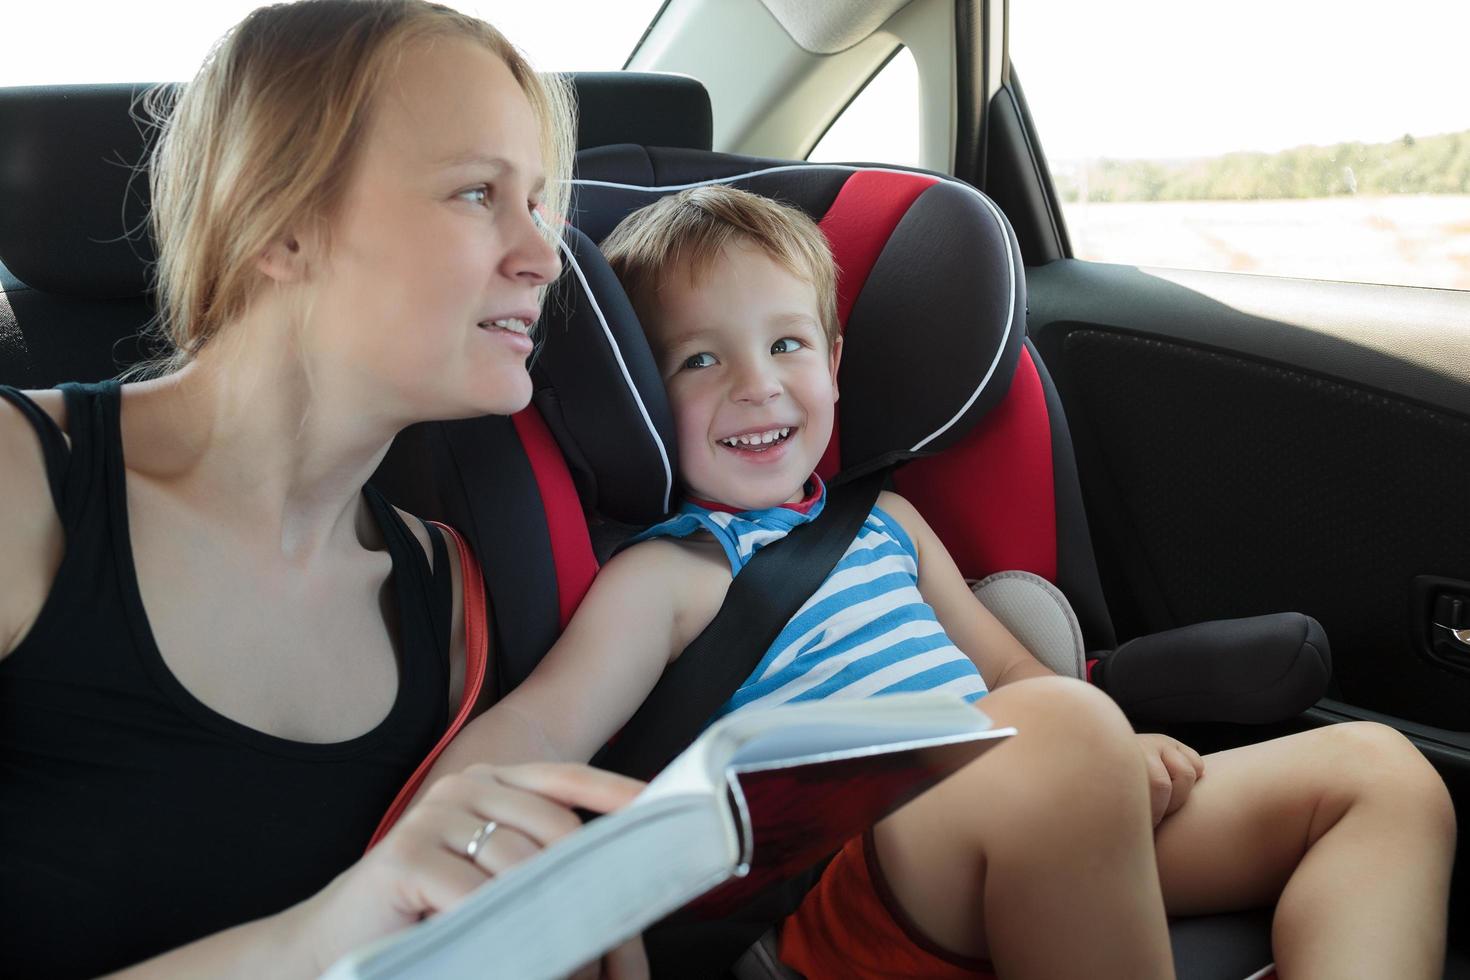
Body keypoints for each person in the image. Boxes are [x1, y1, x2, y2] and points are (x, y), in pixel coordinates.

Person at [424, 185, 1457, 979]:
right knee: (1059, 731)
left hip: (1038, 816)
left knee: (1380, 771)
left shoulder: (887, 524)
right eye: (699, 360)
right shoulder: (674, 574)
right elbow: (543, 730)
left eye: (786, 342)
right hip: (852, 884)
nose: (757, 382)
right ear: (647, 397)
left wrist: (1113, 748)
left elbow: (1012, 670)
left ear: (833, 360)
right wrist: (419, 845)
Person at [0, 2, 647, 977]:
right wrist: (338, 924)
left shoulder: (448, 596)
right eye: (478, 192)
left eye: (540, 202)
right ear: (283, 222)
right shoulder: (19, 486)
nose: (544, 255)